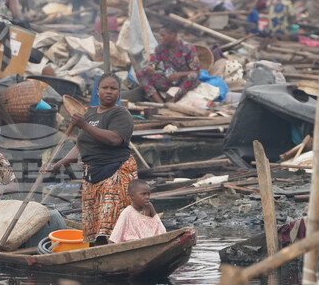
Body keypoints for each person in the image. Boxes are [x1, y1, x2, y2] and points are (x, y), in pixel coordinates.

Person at [42, 75, 136, 245]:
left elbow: (114, 140)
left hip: (115, 172)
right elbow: (80, 146)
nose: (108, 91)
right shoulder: (90, 113)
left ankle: (114, 254)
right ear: (97, 92)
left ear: (119, 93)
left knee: (110, 225)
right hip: (91, 175)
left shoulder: (120, 114)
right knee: (92, 228)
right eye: (105, 88)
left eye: (113, 89)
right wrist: (59, 164)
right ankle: (95, 257)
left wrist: (85, 125)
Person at [135, 22, 201, 103]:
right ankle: (160, 103)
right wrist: (151, 67)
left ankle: (172, 101)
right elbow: (153, 62)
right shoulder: (160, 48)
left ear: (172, 35)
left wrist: (179, 75)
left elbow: (197, 72)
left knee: (193, 76)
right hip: (168, 81)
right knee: (141, 73)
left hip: (185, 82)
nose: (160, 38)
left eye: (163, 35)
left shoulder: (188, 48)